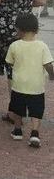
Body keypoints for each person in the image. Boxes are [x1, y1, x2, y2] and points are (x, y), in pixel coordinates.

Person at [5, 13, 54, 148]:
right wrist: (52, 75)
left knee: (17, 109)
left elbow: (9, 62)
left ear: (18, 30)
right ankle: (34, 133)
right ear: (37, 30)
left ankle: (17, 131)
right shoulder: (42, 46)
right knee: (36, 111)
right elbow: (48, 65)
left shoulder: (14, 46)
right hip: (36, 87)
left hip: (18, 85)